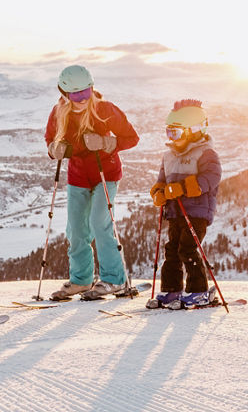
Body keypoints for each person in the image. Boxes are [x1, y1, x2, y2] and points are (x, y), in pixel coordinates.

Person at [44, 65, 139, 301]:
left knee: (100, 223)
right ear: (65, 93)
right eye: (75, 95)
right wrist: (54, 149)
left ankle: (114, 279)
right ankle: (81, 280)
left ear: (92, 88)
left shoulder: (105, 110)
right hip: (78, 177)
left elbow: (131, 137)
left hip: (105, 173)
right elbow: (50, 138)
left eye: (85, 92)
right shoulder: (59, 112)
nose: (81, 99)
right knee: (76, 230)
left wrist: (108, 143)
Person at [148, 99, 222, 309]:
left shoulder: (206, 153)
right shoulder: (169, 156)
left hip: (197, 212)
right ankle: (172, 290)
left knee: (188, 249)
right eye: (169, 133)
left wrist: (184, 187)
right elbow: (161, 180)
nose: (172, 138)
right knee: (171, 250)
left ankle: (198, 291)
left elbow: (212, 178)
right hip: (174, 211)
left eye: (176, 133)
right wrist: (159, 192)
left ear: (194, 130)